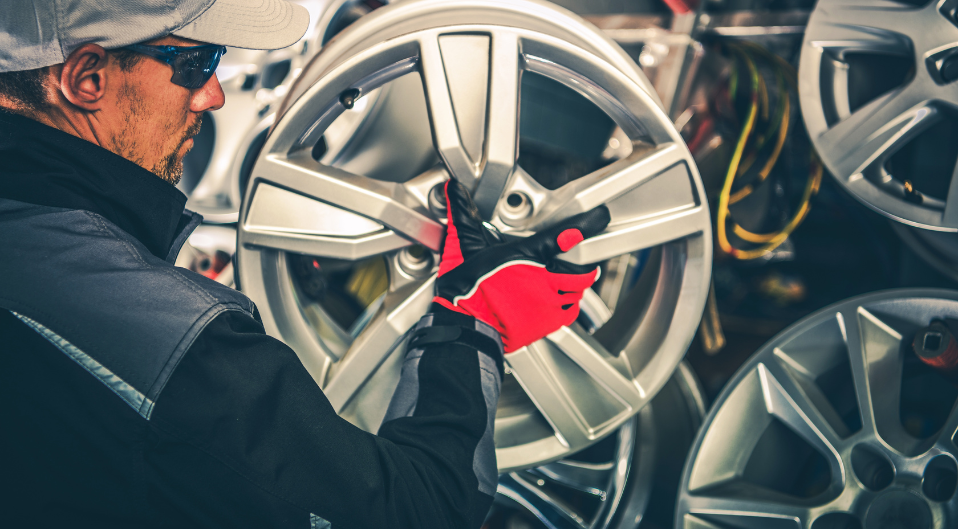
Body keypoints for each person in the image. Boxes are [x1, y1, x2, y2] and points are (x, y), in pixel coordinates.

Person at [0, 0, 610, 527]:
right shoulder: (157, 341)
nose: (212, 95)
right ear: (86, 79)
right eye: (197, 64)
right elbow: (417, 512)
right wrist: (472, 324)